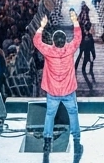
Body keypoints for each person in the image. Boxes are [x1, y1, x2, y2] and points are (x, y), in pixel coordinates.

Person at [33, 17, 81, 153]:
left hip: (53, 91)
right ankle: (76, 137)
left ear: (53, 42)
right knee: (73, 112)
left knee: (50, 114)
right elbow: (78, 37)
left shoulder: (48, 51)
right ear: (65, 41)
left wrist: (42, 26)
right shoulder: (70, 49)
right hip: (68, 90)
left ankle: (47, 138)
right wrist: (75, 21)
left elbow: (36, 41)